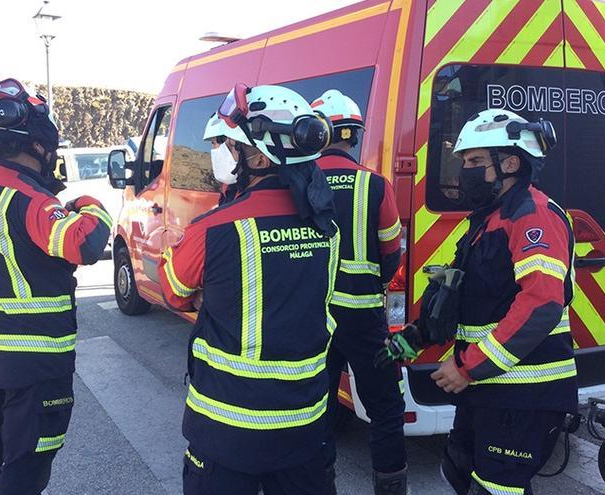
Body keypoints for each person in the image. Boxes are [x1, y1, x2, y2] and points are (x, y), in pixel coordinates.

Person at [376, 109, 576, 495]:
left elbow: (542, 302)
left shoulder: (532, 216)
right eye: (464, 161)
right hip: (487, 389)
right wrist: (413, 338)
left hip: (523, 394)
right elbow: (458, 295)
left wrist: (468, 367)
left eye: (475, 161)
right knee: (456, 473)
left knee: (494, 489)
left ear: (511, 163)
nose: (465, 170)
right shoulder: (488, 219)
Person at [159, 83, 338, 495]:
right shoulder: (326, 226)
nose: (219, 150)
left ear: (258, 156)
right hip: (305, 423)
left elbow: (172, 291)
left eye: (227, 142)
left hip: (226, 429)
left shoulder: (214, 228)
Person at [0, 78, 111, 495]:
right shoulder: (31, 199)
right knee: (25, 467)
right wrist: (93, 207)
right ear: (37, 140)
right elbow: (84, 243)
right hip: (36, 363)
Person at [310, 90, 407, 495]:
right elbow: (391, 254)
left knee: (317, 411)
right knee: (385, 410)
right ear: (353, 135)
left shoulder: (299, 184)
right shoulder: (376, 186)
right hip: (366, 320)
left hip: (315, 320)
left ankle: (319, 485)